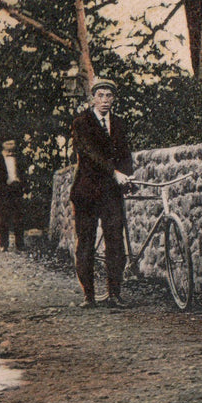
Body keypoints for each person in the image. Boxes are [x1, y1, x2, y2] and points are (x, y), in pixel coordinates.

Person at [69, 79, 133, 309]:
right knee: (85, 243)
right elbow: (89, 154)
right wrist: (114, 172)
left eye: (109, 96)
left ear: (114, 99)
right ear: (93, 98)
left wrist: (127, 177)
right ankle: (89, 296)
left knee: (115, 242)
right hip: (86, 192)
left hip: (110, 194)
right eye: (101, 96)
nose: (105, 100)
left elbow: (125, 154)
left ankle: (114, 293)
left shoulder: (119, 123)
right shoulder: (81, 123)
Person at [0, 137, 27, 251]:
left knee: (19, 218)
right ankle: (4, 244)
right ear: (3, 144)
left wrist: (22, 186)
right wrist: (2, 187)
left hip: (17, 189)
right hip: (4, 191)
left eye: (12, 142)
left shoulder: (19, 158)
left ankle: (20, 244)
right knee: (4, 219)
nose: (11, 144)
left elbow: (23, 173)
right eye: (8, 142)